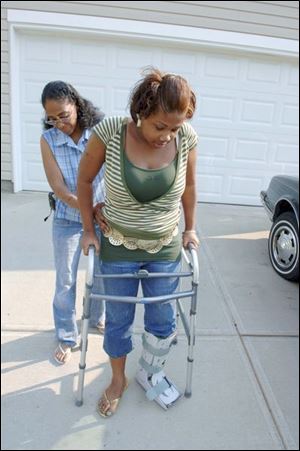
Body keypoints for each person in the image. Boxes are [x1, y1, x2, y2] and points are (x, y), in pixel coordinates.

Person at [77, 68, 199, 417]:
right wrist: (88, 229)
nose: (167, 136)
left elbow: (189, 187)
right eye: (160, 126)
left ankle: (150, 371)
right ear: (141, 112)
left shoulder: (186, 138)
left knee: (162, 320)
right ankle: (118, 380)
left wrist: (190, 228)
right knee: (118, 319)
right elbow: (84, 182)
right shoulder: (110, 133)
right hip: (117, 247)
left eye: (174, 128)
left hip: (164, 247)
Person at [40, 81, 106, 364]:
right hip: (68, 219)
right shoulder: (49, 141)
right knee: (66, 279)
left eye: (63, 115)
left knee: (103, 275)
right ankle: (67, 334)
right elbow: (59, 188)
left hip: (104, 217)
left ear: (77, 105)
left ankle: (97, 317)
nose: (58, 123)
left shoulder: (100, 132)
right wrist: (86, 209)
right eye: (51, 118)